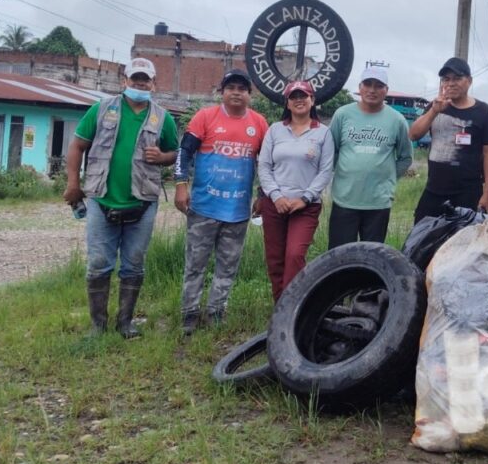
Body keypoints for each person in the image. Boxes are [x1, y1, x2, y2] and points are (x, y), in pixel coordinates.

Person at [63, 58, 179, 339]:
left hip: (142, 202)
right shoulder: (101, 110)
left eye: (145, 79)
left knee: (134, 263)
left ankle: (125, 322)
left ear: (154, 83)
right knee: (98, 263)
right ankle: (97, 325)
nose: (140, 84)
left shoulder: (163, 118)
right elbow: (78, 145)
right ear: (124, 81)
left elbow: (177, 154)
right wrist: (73, 184)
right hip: (102, 200)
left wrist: (163, 157)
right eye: (135, 78)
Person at [174, 69, 268, 334]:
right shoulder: (205, 117)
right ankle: (189, 313)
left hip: (237, 210)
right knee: (195, 265)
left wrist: (262, 195)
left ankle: (216, 311)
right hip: (203, 208)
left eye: (242, 88)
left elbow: (269, 163)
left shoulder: (260, 124)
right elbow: (184, 152)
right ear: (222, 92)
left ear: (250, 94)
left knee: (227, 267)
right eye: (231, 88)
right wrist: (181, 186)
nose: (236, 92)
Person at [257, 80, 334, 301]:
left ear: (313, 100)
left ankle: (292, 306)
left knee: (294, 255)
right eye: (294, 96)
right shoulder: (275, 130)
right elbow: (264, 166)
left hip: (306, 206)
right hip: (274, 204)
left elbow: (326, 170)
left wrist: (305, 198)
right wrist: (276, 195)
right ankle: (280, 306)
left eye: (304, 95)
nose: (299, 100)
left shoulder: (323, 133)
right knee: (275, 258)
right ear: (287, 103)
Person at [328, 64, 412, 247]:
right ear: (360, 87)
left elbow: (405, 157)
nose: (372, 90)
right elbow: (330, 151)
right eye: (368, 84)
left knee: (371, 257)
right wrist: (344, 172)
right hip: (345, 199)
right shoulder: (342, 115)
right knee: (339, 256)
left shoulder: (397, 120)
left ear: (386, 90)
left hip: (378, 203)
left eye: (378, 85)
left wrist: (387, 177)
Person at [409, 56, 488, 222]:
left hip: (468, 192)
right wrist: (434, 111)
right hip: (434, 189)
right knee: (424, 239)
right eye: (446, 79)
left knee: (465, 243)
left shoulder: (483, 112)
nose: (451, 83)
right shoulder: (434, 107)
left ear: (469, 81)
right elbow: (413, 134)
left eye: (457, 78)